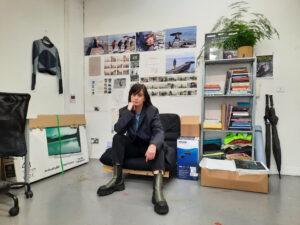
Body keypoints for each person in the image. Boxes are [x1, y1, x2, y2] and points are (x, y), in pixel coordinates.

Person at [97, 83, 169, 215]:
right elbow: (119, 129)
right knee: (117, 138)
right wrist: (129, 112)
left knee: (159, 147)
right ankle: (117, 180)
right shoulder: (124, 111)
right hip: (134, 146)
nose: (136, 98)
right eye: (133, 94)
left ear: (144, 98)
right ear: (130, 96)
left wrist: (153, 145)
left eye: (139, 95)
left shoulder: (152, 111)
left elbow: (159, 131)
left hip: (147, 146)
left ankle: (157, 191)